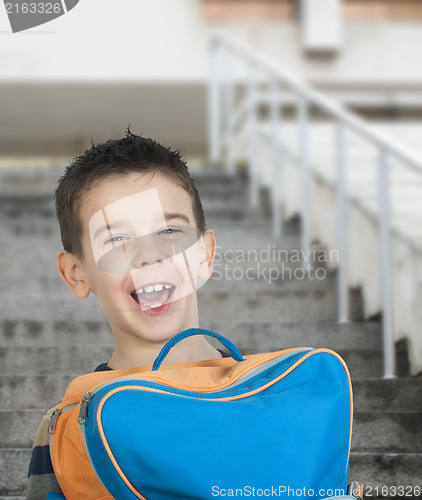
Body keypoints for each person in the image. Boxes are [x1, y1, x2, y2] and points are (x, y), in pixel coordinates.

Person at [26, 130, 222, 498]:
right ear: (76, 273)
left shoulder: (274, 391)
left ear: (204, 254)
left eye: (169, 229)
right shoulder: (67, 427)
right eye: (115, 239)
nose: (147, 255)